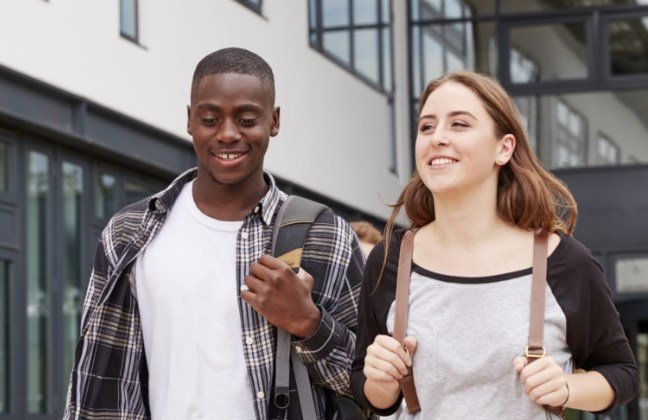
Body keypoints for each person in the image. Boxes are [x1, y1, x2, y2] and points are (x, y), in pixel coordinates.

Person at [64, 47, 364, 420]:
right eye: (210, 118)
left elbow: (370, 387)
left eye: (246, 119)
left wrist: (308, 323)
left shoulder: (325, 235)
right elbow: (95, 375)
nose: (227, 134)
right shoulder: (128, 234)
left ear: (274, 121)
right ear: (189, 120)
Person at [350, 71, 639, 419]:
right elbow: (368, 391)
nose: (437, 137)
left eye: (459, 124)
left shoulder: (563, 262)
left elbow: (622, 373)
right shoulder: (392, 260)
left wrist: (566, 387)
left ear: (504, 148)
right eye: (427, 127)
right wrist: (380, 383)